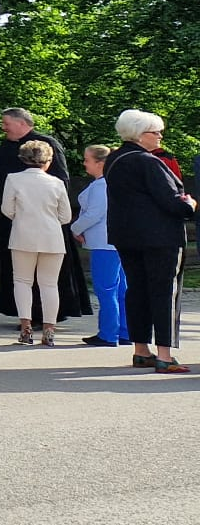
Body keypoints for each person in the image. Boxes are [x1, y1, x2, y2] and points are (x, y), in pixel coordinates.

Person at [0, 107, 87, 326]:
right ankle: (28, 316)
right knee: (23, 276)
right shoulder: (6, 148)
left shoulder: (46, 144)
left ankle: (46, 317)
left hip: (43, 219)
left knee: (44, 278)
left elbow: (62, 180)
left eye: (6, 123)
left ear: (21, 123)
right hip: (19, 223)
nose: (3, 128)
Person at [104, 109, 195, 373]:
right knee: (165, 292)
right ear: (139, 135)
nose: (159, 137)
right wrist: (190, 204)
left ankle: (141, 349)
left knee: (137, 290)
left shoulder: (114, 159)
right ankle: (165, 355)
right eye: (155, 132)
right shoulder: (148, 162)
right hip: (160, 237)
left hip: (126, 235)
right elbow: (173, 202)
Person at [1, 137, 73, 347]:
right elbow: (66, 216)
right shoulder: (57, 183)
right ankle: (49, 330)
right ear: (48, 161)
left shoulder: (13, 179)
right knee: (50, 284)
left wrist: (22, 218)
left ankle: (26, 328)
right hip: (52, 237)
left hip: (23, 235)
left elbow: (7, 209)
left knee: (22, 282)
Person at [73, 144, 126, 347]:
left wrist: (75, 228)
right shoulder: (115, 183)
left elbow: (94, 214)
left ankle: (108, 333)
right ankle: (125, 330)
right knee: (121, 288)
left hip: (104, 243)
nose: (85, 164)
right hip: (117, 241)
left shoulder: (101, 186)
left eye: (87, 160)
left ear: (100, 163)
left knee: (106, 289)